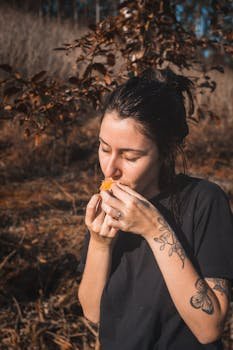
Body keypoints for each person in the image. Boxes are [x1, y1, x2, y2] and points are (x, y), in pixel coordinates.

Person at [77, 68, 233, 350]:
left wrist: (154, 229)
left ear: (168, 151)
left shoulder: (204, 201)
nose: (110, 168)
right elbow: (93, 312)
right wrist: (99, 244)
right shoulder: (109, 204)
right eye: (104, 148)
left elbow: (209, 329)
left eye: (130, 155)